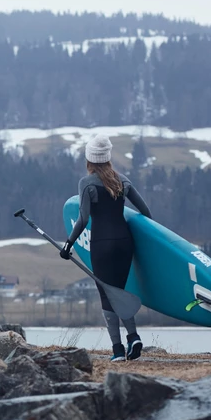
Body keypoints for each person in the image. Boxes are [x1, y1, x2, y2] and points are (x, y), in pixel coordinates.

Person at [60, 135, 152, 361]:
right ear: (108, 158)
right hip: (124, 244)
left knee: (106, 294)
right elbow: (146, 213)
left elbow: (82, 220)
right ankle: (133, 338)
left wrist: (68, 244)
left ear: (90, 159)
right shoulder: (123, 181)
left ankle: (118, 351)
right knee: (119, 292)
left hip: (102, 245)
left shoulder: (86, 183)